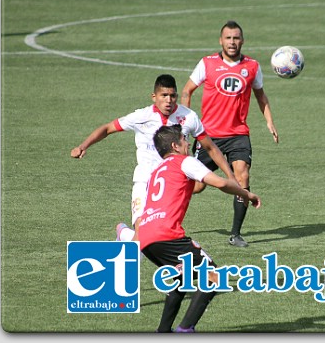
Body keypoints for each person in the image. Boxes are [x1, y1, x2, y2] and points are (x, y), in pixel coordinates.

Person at [70, 74, 236, 240]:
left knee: (156, 236)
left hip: (170, 187)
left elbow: (211, 148)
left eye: (172, 96)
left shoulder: (189, 117)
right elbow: (107, 129)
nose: (169, 100)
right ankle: (128, 238)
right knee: (142, 235)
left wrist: (231, 177)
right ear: (154, 97)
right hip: (144, 180)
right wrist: (83, 146)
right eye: (164, 96)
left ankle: (125, 234)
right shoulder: (141, 117)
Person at [137, 124, 261, 333]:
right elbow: (220, 183)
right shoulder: (185, 162)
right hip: (167, 234)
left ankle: (163, 331)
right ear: (176, 146)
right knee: (214, 276)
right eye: (185, 140)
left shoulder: (156, 171)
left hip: (146, 238)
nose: (188, 143)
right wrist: (246, 193)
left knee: (181, 280)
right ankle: (185, 329)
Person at [181, 20, 279, 247]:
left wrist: (270, 122)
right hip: (209, 135)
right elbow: (187, 90)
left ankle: (235, 234)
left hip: (238, 134)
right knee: (196, 185)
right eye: (228, 38)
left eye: (236, 38)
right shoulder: (207, 63)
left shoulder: (252, 66)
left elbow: (260, 96)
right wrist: (186, 123)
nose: (232, 42)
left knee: (242, 176)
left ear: (242, 41)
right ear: (221, 40)